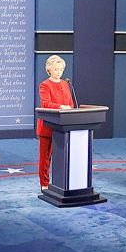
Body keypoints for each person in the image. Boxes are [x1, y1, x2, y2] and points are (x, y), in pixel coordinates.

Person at [37, 55, 74, 190]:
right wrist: (61, 107)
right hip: (48, 127)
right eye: (56, 69)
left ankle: (61, 182)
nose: (59, 72)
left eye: (61, 70)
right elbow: (45, 104)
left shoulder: (65, 84)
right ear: (49, 70)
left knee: (62, 157)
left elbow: (70, 104)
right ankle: (44, 183)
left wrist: (70, 110)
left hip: (63, 127)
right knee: (45, 158)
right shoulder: (44, 85)